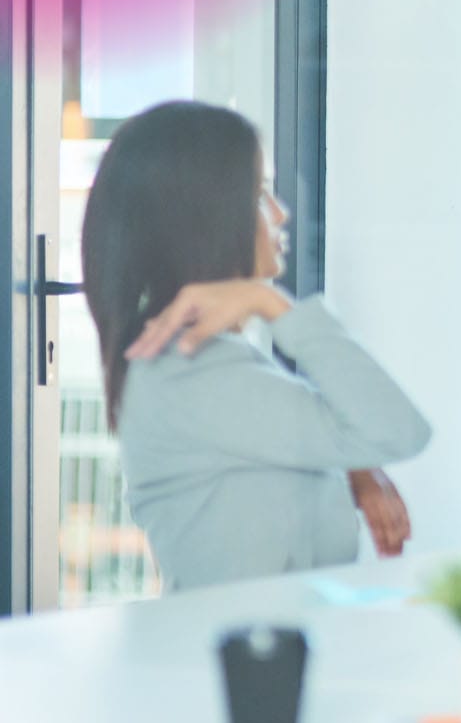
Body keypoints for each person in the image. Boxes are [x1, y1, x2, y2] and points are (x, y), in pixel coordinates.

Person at [83, 102, 430, 593]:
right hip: (237, 638)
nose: (281, 214)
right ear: (206, 216)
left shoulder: (211, 361)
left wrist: (352, 466)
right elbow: (399, 430)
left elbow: (356, 433)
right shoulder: (188, 370)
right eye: (260, 195)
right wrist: (271, 303)